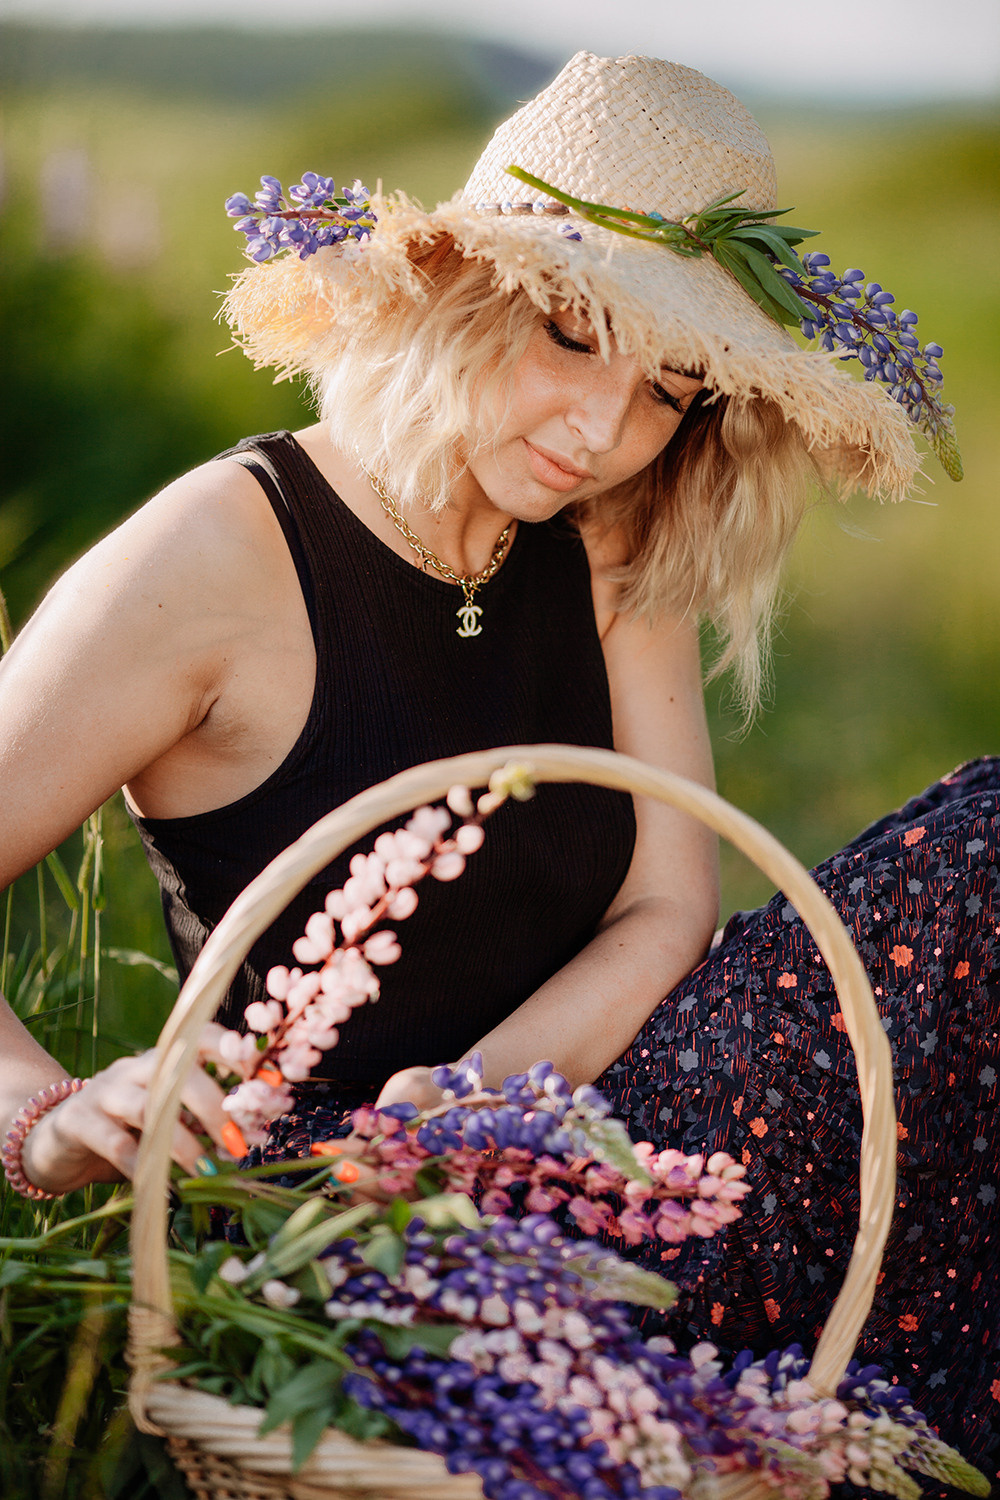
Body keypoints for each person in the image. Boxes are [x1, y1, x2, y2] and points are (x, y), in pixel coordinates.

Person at [0, 52, 995, 1475]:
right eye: (573, 334)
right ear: (457, 287)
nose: (604, 430)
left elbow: (668, 906)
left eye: (669, 387)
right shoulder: (218, 551)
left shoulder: (605, 543)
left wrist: (478, 1108)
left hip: (605, 1156)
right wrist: (43, 1120)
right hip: (336, 1222)